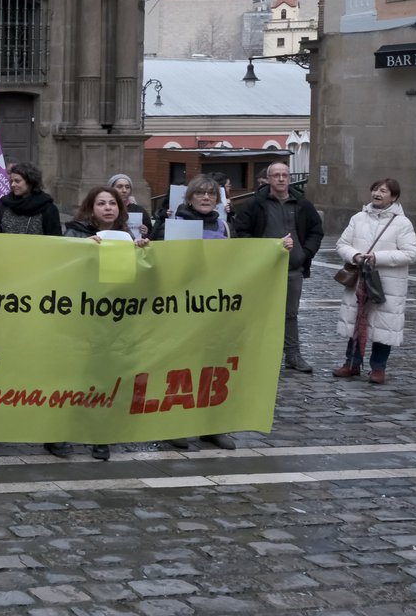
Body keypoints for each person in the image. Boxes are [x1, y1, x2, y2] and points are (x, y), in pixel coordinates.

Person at [60, 186, 149, 461]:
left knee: (105, 377)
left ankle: (100, 435)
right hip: (80, 316)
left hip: (112, 317)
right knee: (73, 376)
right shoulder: (75, 232)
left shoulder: (127, 235)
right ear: (91, 207)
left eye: (113, 203)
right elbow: (62, 267)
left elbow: (134, 279)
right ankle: (59, 434)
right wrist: (82, 248)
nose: (108, 207)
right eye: (101, 203)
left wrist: (142, 253)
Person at [154, 175, 237, 451]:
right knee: (179, 368)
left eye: (211, 194)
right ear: (188, 198)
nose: (205, 198)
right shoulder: (172, 224)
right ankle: (174, 425)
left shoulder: (224, 226)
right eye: (200, 193)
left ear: (217, 199)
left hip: (213, 307)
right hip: (179, 306)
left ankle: (212, 426)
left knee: (212, 367)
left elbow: (240, 259)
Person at [233, 161, 323, 373]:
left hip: (293, 269)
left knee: (290, 314)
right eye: (276, 175)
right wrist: (263, 248)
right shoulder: (255, 204)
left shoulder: (302, 204)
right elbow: (241, 230)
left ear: (289, 178)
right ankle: (257, 354)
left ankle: (293, 355)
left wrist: (305, 253)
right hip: (264, 270)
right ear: (269, 179)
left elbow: (316, 231)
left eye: (284, 175)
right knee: (260, 313)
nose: (281, 179)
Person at [332, 178, 416, 384]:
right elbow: (342, 244)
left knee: (384, 326)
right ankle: (351, 364)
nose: (377, 193)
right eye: (375, 189)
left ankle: (378, 368)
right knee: (356, 320)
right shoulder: (358, 218)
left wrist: (378, 258)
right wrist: (355, 255)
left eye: (383, 191)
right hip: (360, 280)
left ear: (394, 197)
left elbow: (411, 253)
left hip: (388, 283)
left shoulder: (402, 223)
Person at [0, 162, 60, 236]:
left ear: (30, 182)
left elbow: (55, 240)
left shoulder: (48, 208)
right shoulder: (4, 204)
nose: (13, 184)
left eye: (17, 181)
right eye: (11, 181)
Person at [108, 173, 151, 238]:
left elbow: (151, 235)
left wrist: (145, 232)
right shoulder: (105, 209)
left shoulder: (139, 210)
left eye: (127, 187)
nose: (124, 190)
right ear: (111, 189)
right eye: (119, 187)